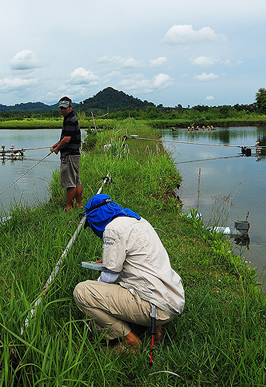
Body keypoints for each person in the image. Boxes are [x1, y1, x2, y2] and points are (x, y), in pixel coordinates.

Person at [73, 194, 185, 352]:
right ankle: (157, 329)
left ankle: (129, 340)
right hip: (173, 299)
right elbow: (141, 260)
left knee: (83, 292)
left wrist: (96, 292)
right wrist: (111, 260)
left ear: (95, 219)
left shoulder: (113, 229)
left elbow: (108, 278)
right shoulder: (138, 220)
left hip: (156, 306)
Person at [50, 96, 82, 211]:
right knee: (76, 180)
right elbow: (65, 138)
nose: (62, 110)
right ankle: (79, 204)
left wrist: (58, 148)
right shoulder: (69, 118)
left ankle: (69, 208)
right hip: (74, 154)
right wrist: (57, 144)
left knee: (70, 182)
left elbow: (67, 139)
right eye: (61, 108)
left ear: (70, 107)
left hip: (70, 155)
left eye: (64, 108)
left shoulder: (70, 120)